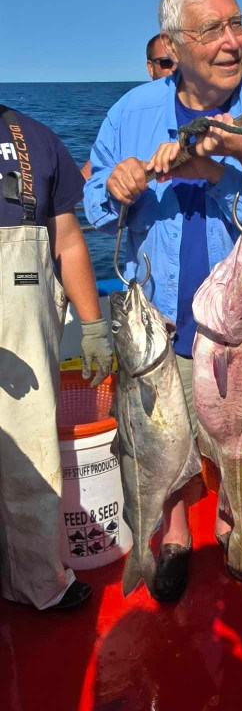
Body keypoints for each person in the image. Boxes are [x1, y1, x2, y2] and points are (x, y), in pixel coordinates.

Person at [84, 0, 242, 602]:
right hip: (162, 319)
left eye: (239, 25)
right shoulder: (132, 111)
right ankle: (175, 534)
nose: (234, 42)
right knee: (164, 436)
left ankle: (236, 516)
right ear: (174, 46)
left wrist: (216, 172)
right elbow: (95, 207)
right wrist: (116, 187)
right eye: (214, 30)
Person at [0, 105, 113, 610]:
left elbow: (67, 240)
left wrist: (92, 326)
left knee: (31, 462)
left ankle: (37, 582)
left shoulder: (37, 138)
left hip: (23, 321)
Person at [80, 35, 177, 182]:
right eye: (166, 62)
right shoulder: (125, 110)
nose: (175, 68)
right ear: (150, 68)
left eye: (183, 61)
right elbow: (94, 175)